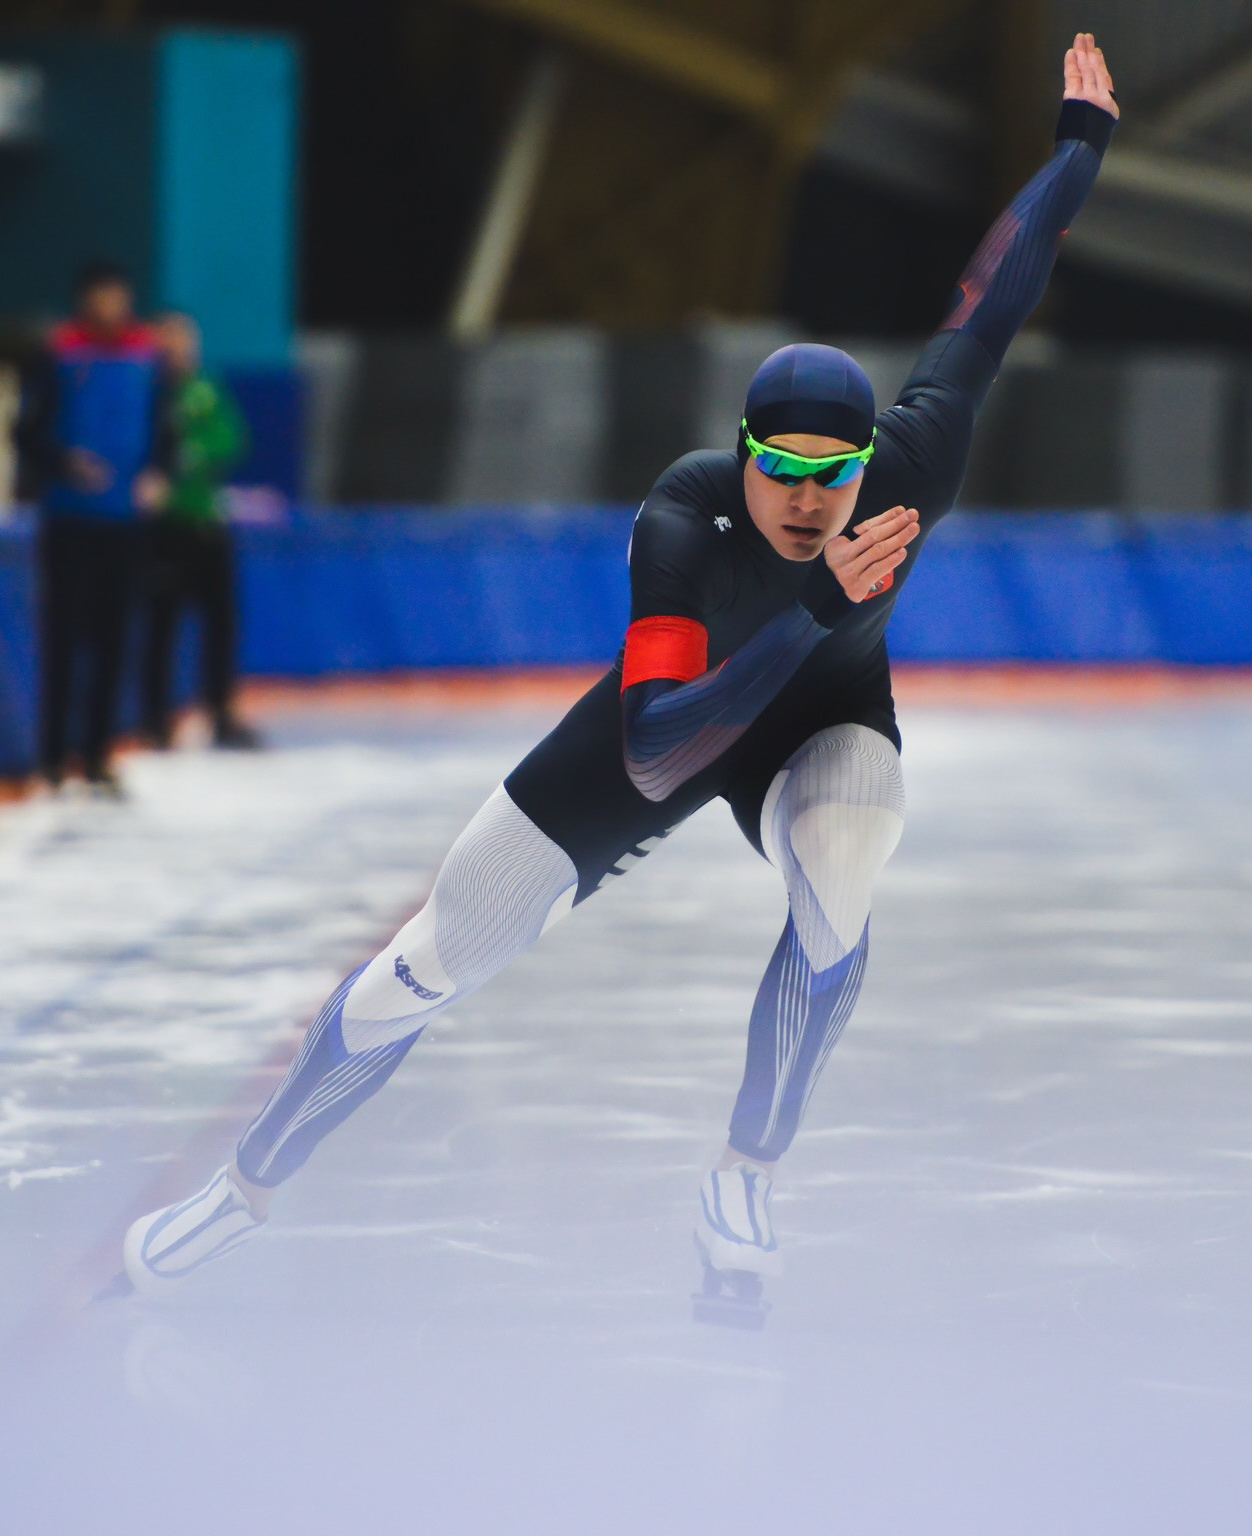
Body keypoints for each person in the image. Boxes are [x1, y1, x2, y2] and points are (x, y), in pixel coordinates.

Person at [122, 37, 1119, 1291]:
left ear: (876, 463)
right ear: (741, 451)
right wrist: (813, 604)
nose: (810, 500)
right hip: (671, 721)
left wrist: (1079, 149)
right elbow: (656, 750)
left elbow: (993, 301)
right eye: (785, 470)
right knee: (425, 965)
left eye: (836, 476)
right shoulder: (684, 520)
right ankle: (242, 1189)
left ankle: (744, 1179)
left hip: (822, 720)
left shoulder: (914, 466)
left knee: (846, 867)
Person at [13, 260, 173, 793]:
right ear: (85, 299)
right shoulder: (57, 352)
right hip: (68, 519)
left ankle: (99, 753)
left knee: (113, 639)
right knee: (62, 640)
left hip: (124, 521)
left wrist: (157, 475)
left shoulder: (148, 356)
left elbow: (165, 430)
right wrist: (62, 464)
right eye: (100, 296)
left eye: (118, 295)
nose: (110, 306)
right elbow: (25, 431)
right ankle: (55, 756)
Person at [140, 313, 261, 751]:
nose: (177, 348)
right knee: (161, 624)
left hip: (204, 522)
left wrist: (192, 451)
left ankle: (220, 712)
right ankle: (156, 719)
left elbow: (233, 438)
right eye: (168, 340)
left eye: (184, 340)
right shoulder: (148, 391)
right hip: (163, 527)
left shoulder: (205, 387)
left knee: (221, 622)